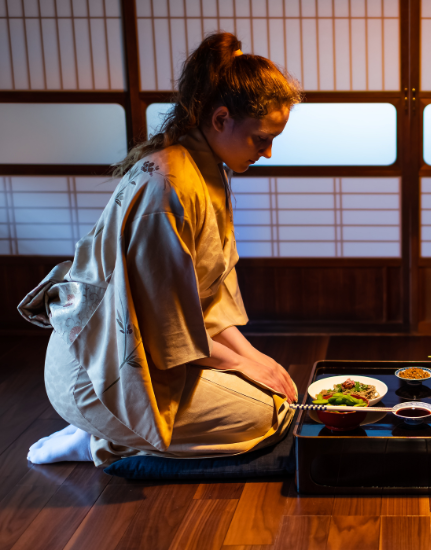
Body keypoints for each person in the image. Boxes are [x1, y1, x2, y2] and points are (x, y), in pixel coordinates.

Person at [18, 33, 302, 466]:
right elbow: (161, 325)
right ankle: (97, 435)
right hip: (97, 372)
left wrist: (255, 359)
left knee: (277, 389)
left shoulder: (205, 168)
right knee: (267, 413)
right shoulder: (169, 187)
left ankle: (105, 429)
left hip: (145, 356)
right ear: (221, 118)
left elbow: (208, 303)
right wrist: (244, 368)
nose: (267, 152)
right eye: (260, 138)